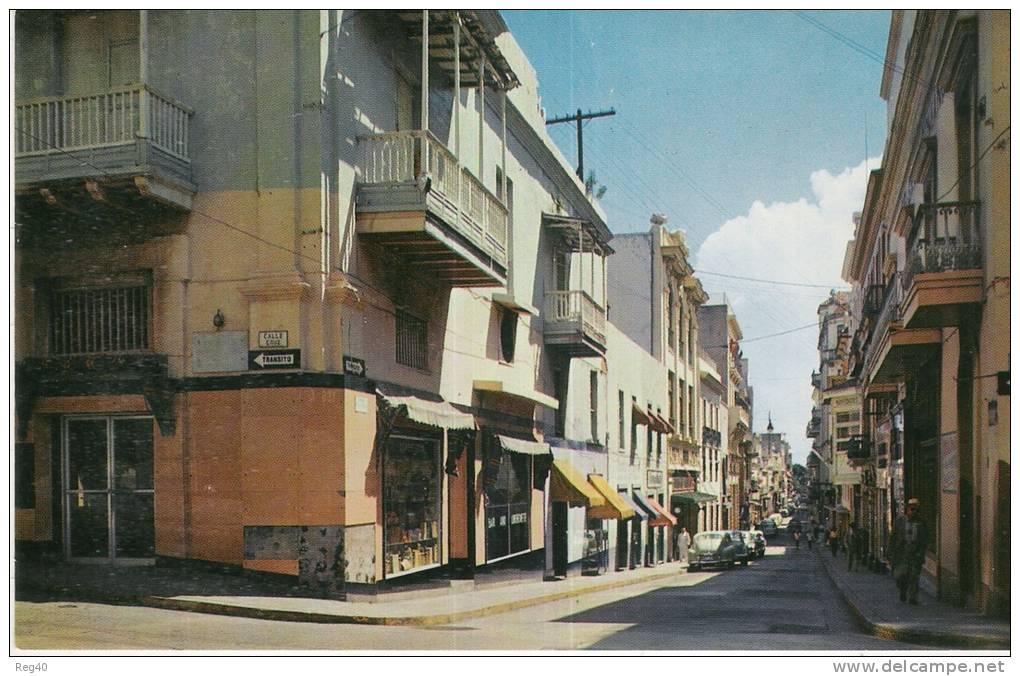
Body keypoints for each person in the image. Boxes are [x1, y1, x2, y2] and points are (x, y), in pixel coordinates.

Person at [888, 497, 929, 604]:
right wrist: (890, 552)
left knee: (914, 576)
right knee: (900, 576)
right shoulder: (900, 521)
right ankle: (903, 589)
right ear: (907, 509)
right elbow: (893, 537)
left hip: (915, 554)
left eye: (916, 509)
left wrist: (921, 551)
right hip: (902, 554)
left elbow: (925, 539)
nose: (913, 511)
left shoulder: (921, 522)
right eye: (912, 509)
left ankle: (912, 597)